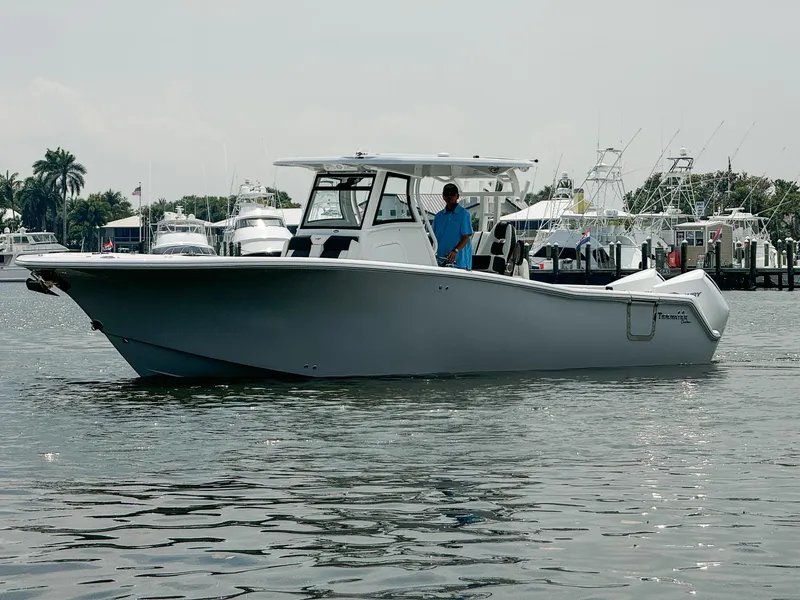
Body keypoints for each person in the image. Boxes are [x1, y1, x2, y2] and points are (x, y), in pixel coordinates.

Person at [432, 183, 473, 269]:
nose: (449, 196)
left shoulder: (464, 214)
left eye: (452, 194)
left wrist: (455, 250)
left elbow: (466, 237)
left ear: (457, 196)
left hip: (459, 263)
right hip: (441, 261)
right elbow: (433, 237)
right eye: (447, 194)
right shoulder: (438, 216)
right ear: (443, 196)